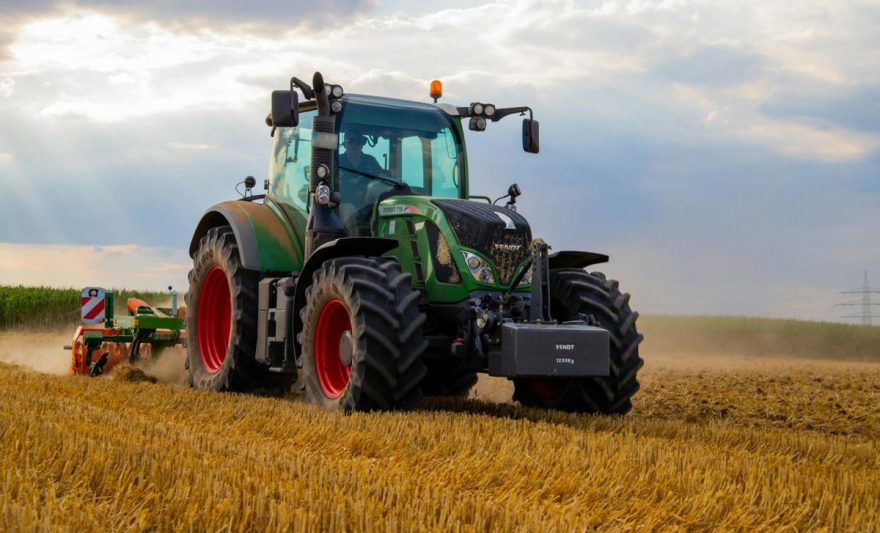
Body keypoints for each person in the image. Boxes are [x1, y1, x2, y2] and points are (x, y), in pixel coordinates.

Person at [337, 128, 385, 234]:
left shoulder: (370, 161)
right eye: (351, 141)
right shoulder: (337, 161)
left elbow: (383, 179)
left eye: (359, 141)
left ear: (363, 143)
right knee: (347, 209)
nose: (355, 145)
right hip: (342, 204)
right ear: (344, 144)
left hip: (368, 205)